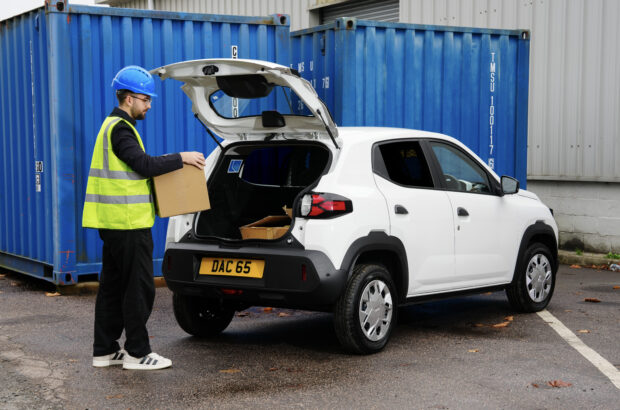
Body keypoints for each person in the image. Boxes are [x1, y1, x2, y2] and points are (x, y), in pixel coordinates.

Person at [82, 65, 205, 370]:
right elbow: (143, 164)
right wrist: (181, 158)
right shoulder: (121, 128)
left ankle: (105, 350)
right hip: (128, 222)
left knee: (112, 287)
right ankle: (138, 353)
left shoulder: (111, 126)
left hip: (113, 221)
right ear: (128, 99)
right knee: (139, 288)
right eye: (145, 99)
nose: (149, 105)